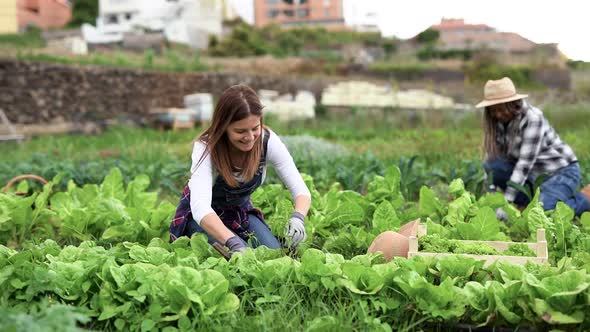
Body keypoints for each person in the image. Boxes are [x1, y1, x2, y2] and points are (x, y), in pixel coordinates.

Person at [169, 84, 311, 256]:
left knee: (273, 255)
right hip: (203, 219)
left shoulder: (267, 141)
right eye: (240, 131)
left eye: (255, 128)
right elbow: (201, 209)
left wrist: (298, 218)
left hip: (240, 213)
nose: (250, 137)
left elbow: (300, 190)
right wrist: (233, 241)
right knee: (242, 257)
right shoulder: (206, 147)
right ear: (224, 127)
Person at [477, 77, 590, 220]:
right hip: (534, 177)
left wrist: (506, 203)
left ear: (512, 103)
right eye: (493, 111)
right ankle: (532, 203)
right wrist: (490, 200)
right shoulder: (499, 122)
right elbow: (491, 167)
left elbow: (523, 165)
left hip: (560, 172)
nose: (498, 114)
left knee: (543, 215)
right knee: (493, 164)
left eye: (500, 109)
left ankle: (585, 199)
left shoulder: (532, 118)